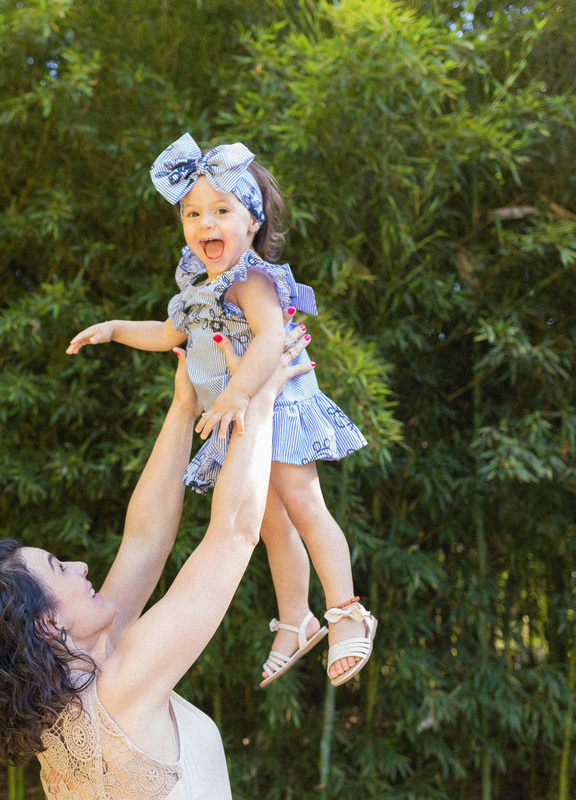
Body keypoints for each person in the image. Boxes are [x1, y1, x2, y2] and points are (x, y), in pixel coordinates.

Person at [0, 332, 310, 799]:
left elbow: (145, 541)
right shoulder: (121, 689)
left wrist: (183, 406)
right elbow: (234, 532)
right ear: (47, 625)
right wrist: (259, 399)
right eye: (59, 568)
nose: (81, 565)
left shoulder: (66, 708)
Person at [66, 132, 376, 688]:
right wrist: (113, 329)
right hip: (243, 415)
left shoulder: (250, 278)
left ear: (252, 221)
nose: (206, 222)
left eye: (222, 210)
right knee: (271, 522)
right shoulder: (198, 287)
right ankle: (294, 620)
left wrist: (236, 394)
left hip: (274, 406)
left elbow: (269, 335)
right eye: (192, 213)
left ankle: (347, 610)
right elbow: (168, 334)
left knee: (303, 505)